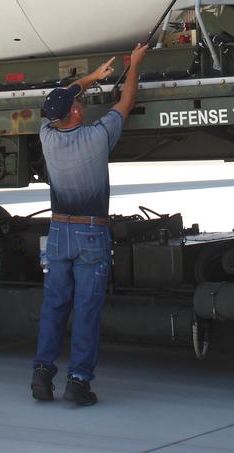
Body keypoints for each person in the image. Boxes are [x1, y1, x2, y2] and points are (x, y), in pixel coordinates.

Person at [31, 42, 148, 406]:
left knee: (54, 304)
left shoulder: (47, 136)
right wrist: (135, 67)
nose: (80, 104)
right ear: (76, 113)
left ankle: (42, 373)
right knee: (86, 308)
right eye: (78, 103)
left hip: (58, 231)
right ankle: (78, 381)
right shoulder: (97, 138)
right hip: (90, 233)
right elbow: (125, 103)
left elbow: (64, 96)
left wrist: (92, 78)